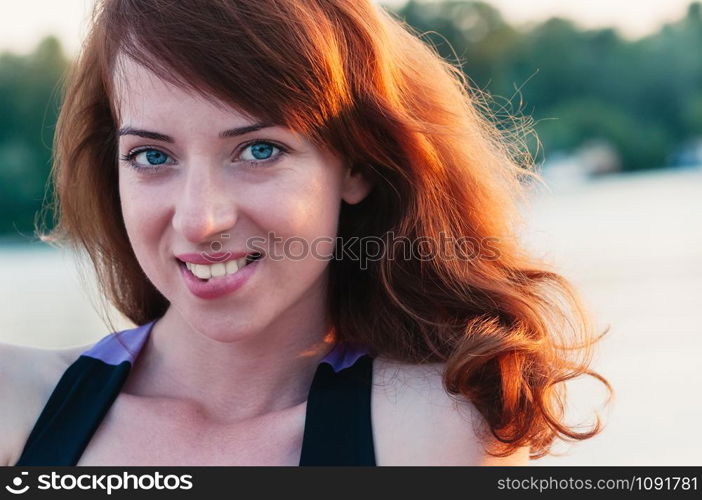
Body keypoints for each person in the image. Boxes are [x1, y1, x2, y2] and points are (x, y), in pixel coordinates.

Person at [1, 0, 612, 466]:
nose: (199, 220)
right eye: (153, 157)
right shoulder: (15, 407)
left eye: (258, 150)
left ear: (357, 165)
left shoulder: (432, 433)